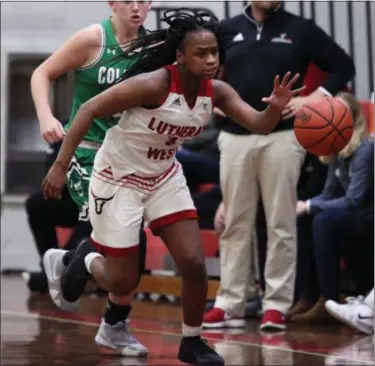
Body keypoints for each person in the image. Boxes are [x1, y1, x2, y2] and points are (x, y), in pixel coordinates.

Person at [41, 8, 303, 364]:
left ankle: (191, 342)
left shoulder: (219, 92)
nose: (211, 60)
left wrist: (276, 108)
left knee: (193, 263)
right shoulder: (153, 85)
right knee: (123, 281)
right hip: (118, 177)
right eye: (201, 53)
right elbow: (87, 110)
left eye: (214, 53)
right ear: (180, 56)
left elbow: (258, 124)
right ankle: (82, 259)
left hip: (164, 175)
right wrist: (59, 166)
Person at [203, 0, 355, 331]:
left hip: (283, 137)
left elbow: (343, 65)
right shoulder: (227, 29)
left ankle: (276, 304)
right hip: (235, 135)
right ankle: (230, 303)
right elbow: (203, 71)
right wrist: (208, 102)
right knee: (235, 222)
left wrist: (314, 98)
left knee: (280, 221)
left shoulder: (301, 29)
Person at [31, 0, 151, 356]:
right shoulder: (93, 40)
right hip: (85, 150)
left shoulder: (153, 47)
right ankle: (73, 263)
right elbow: (41, 73)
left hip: (127, 155)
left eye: (143, 1)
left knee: (134, 251)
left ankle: (111, 316)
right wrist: (45, 118)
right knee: (110, 237)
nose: (136, 8)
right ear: (112, 3)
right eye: (127, 1)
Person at [290, 92, 374, 323]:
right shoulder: (337, 148)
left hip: (368, 215)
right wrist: (304, 206)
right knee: (305, 217)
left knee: (322, 219)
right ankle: (309, 295)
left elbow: (354, 200)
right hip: (353, 215)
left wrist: (309, 205)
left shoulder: (366, 149)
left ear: (353, 118)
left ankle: (329, 297)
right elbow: (329, 193)